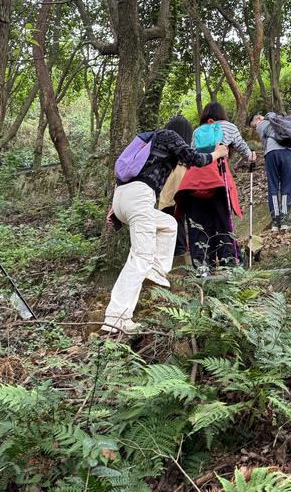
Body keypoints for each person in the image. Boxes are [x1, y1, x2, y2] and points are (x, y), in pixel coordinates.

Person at [103, 125, 227, 335]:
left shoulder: (147, 142)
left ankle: (156, 270)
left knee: (168, 225)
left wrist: (114, 209)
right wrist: (218, 153)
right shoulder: (169, 135)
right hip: (140, 196)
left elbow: (123, 177)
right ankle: (116, 318)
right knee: (140, 258)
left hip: (124, 197)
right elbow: (195, 159)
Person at [175, 102, 255, 276]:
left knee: (198, 225)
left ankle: (203, 267)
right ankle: (229, 265)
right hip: (217, 178)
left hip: (193, 181)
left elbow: (191, 154)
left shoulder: (197, 131)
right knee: (223, 221)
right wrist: (251, 156)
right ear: (222, 113)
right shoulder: (229, 127)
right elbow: (243, 148)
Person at [250, 113, 291, 232]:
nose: (255, 129)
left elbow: (265, 142)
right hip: (288, 152)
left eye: (254, 126)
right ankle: (285, 220)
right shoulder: (282, 121)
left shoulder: (262, 123)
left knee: (273, 186)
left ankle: (276, 221)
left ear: (258, 118)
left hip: (271, 153)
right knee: (286, 186)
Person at [158, 115, 193, 258]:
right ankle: (190, 254)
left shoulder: (164, 154)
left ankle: (175, 255)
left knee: (171, 221)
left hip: (167, 193)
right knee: (188, 220)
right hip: (187, 189)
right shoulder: (189, 155)